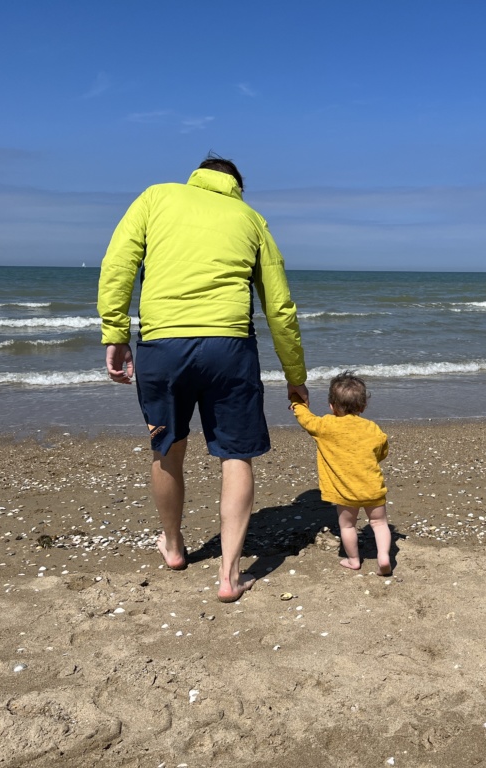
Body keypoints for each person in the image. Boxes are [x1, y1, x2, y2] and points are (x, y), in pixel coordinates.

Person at [97, 153, 309, 603]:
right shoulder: (251, 219)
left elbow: (118, 263)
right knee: (236, 455)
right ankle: (229, 577)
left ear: (197, 176)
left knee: (168, 446)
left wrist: (115, 333)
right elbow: (280, 305)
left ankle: (173, 547)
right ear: (237, 186)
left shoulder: (156, 197)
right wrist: (295, 374)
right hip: (229, 347)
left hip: (163, 345)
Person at [290, 371, 392, 576]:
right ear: (363, 406)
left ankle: (354, 560)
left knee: (347, 526)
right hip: (372, 487)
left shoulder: (326, 426)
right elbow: (382, 450)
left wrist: (296, 401)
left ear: (331, 406)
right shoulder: (372, 428)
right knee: (379, 523)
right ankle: (383, 557)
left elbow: (305, 419)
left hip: (345, 491)